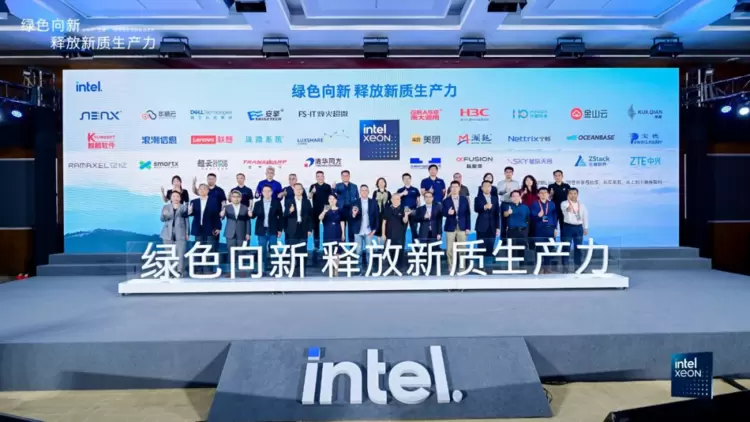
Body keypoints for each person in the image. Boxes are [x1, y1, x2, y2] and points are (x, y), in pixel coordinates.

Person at [188, 184, 222, 274]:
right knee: (198, 249)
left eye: (204, 189)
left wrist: (218, 227)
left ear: (208, 191)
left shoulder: (213, 201)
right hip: (198, 228)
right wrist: (189, 211)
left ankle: (208, 269)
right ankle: (198, 269)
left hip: (210, 228)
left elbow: (216, 215)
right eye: (200, 189)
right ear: (198, 191)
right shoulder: (194, 202)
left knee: (209, 249)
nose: (202, 190)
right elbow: (189, 214)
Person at [250, 185, 283, 271]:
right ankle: (262, 268)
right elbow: (253, 216)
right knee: (262, 250)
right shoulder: (257, 204)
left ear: (271, 192)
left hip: (273, 229)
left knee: (274, 249)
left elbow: (280, 217)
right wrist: (250, 214)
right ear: (262, 193)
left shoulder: (276, 203)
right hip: (261, 230)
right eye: (265, 191)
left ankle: (275, 268)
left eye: (269, 191)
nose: (267, 193)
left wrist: (280, 229)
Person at [443, 181, 472, 271]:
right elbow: (442, 212)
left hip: (462, 227)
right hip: (450, 227)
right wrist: (447, 213)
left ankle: (462, 267)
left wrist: (468, 227)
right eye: (453, 187)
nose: (454, 189)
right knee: (449, 249)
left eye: (456, 187)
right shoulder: (446, 200)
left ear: (459, 188)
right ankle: (451, 266)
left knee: (462, 248)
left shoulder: (464, 199)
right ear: (450, 188)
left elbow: (468, 214)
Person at [222, 190, 251, 276]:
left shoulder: (245, 208)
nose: (236, 198)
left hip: (242, 233)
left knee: (242, 252)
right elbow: (221, 217)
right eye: (234, 197)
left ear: (241, 198)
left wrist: (248, 233)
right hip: (230, 233)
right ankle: (230, 271)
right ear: (231, 198)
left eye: (238, 197)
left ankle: (241, 271)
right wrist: (221, 213)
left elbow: (248, 221)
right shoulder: (226, 207)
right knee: (231, 252)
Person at [560, 188, 589, 273]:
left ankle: (578, 267)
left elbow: (585, 217)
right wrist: (569, 206)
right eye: (571, 193)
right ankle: (565, 267)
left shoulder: (582, 205)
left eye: (574, 193)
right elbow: (566, 210)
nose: (573, 195)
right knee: (566, 247)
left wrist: (585, 227)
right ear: (568, 195)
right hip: (568, 227)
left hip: (578, 228)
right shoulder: (564, 203)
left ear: (577, 194)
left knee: (578, 247)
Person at [160, 191, 189, 276]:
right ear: (170, 198)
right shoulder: (166, 207)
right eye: (173, 196)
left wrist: (187, 233)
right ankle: (171, 270)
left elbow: (187, 221)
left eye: (177, 196)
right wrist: (165, 215)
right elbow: (162, 219)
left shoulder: (184, 207)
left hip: (181, 232)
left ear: (180, 198)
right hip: (167, 232)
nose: (176, 198)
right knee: (169, 253)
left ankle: (180, 271)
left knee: (180, 252)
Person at [530, 187, 558, 273]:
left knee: (549, 248)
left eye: (545, 192)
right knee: (539, 248)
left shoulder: (552, 204)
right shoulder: (535, 204)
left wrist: (555, 228)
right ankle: (539, 267)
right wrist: (538, 216)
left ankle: (547, 268)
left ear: (548, 194)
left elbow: (555, 217)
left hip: (550, 229)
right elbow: (531, 218)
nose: (543, 194)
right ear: (538, 194)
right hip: (539, 229)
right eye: (541, 193)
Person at [351, 185, 379, 265]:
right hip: (358, 231)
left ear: (368, 191)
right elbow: (351, 217)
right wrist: (354, 214)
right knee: (358, 251)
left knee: (369, 251)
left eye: (366, 190)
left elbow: (377, 217)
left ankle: (369, 268)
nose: (364, 192)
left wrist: (374, 230)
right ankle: (358, 268)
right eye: (362, 190)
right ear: (360, 192)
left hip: (369, 231)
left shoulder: (373, 202)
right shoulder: (354, 202)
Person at [381, 193, 409, 269]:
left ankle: (399, 268)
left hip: (400, 235)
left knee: (400, 252)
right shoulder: (387, 209)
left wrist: (406, 214)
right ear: (391, 200)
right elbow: (384, 222)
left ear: (400, 200)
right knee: (389, 251)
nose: (396, 201)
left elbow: (405, 221)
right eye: (394, 199)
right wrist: (383, 234)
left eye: (398, 199)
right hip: (389, 235)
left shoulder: (403, 209)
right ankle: (390, 268)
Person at [503, 190, 531, 267]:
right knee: (512, 250)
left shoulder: (525, 207)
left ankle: (523, 267)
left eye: (517, 196)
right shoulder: (507, 206)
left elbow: (528, 219)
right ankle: (511, 268)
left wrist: (526, 231)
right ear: (510, 198)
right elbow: (504, 215)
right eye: (513, 196)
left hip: (523, 231)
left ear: (520, 197)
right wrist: (508, 212)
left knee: (522, 250)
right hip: (512, 231)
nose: (515, 198)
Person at [474, 180, 501, 260]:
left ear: (491, 188)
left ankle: (489, 264)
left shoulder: (495, 199)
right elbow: (476, 209)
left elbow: (497, 214)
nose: (487, 188)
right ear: (482, 188)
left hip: (492, 227)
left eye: (489, 186)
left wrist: (498, 227)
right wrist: (484, 207)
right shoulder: (478, 198)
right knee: (481, 247)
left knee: (490, 247)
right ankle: (480, 265)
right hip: (481, 226)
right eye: (485, 186)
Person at [284, 183, 312, 253]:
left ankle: (303, 260)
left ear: (302, 190)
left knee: (303, 249)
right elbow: (284, 215)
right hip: (292, 228)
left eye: (300, 189)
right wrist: (290, 211)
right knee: (293, 250)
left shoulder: (307, 202)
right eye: (296, 189)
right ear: (294, 190)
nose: (298, 191)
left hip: (304, 227)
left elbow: (310, 216)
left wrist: (310, 229)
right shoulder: (289, 201)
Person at [309, 171, 332, 252]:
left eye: (321, 176)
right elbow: (309, 197)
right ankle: (316, 246)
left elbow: (331, 199)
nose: (320, 178)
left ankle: (327, 245)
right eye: (318, 176)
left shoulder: (328, 186)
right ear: (316, 177)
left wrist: (328, 209)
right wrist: (312, 191)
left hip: (326, 209)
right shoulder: (313, 186)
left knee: (327, 227)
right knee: (316, 228)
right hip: (316, 209)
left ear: (324, 177)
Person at [335, 170, 358, 241]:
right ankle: (341, 244)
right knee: (341, 228)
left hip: (352, 209)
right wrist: (333, 189)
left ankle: (352, 245)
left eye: (346, 175)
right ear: (341, 177)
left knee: (352, 227)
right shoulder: (337, 186)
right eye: (343, 176)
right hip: (341, 209)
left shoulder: (354, 186)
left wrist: (356, 208)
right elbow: (333, 197)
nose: (345, 177)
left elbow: (357, 198)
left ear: (349, 176)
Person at [396, 173, 421, 241]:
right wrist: (402, 193)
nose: (407, 180)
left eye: (408, 178)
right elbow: (396, 198)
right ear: (403, 180)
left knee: (414, 230)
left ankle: (415, 246)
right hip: (403, 212)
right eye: (405, 179)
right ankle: (401, 246)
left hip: (413, 211)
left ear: (410, 179)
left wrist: (418, 210)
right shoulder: (400, 190)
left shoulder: (415, 189)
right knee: (402, 230)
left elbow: (418, 201)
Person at [498, 166, 520, 236]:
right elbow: (499, 193)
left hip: (514, 204)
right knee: (503, 224)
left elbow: (518, 193)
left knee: (514, 222)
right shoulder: (500, 183)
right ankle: (503, 241)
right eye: (507, 172)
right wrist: (505, 190)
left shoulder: (516, 183)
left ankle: (514, 240)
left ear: (512, 173)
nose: (508, 174)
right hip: (505, 204)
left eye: (510, 172)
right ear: (504, 173)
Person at [520, 175, 540, 244]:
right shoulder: (521, 191)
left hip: (535, 214)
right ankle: (525, 246)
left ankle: (533, 246)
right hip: (525, 214)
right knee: (525, 231)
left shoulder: (537, 191)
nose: (528, 182)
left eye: (530, 180)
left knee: (534, 231)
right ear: (524, 182)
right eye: (527, 180)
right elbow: (517, 200)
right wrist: (523, 193)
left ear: (533, 181)